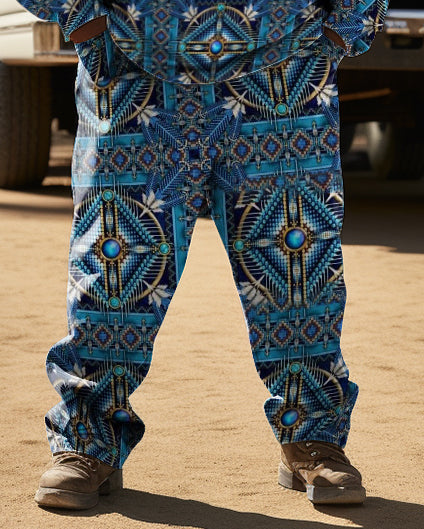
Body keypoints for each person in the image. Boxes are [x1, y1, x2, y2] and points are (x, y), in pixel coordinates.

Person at [17, 0, 388, 510]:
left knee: (297, 267)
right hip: (133, 67)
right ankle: (88, 438)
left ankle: (313, 434)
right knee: (114, 268)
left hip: (285, 68)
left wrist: (344, 26)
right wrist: (82, 17)